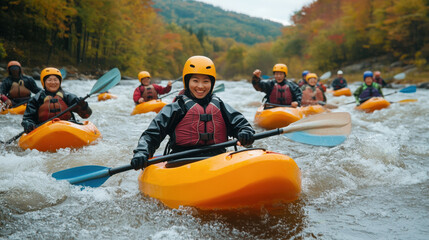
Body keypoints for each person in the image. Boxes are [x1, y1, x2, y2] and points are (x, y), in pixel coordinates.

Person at [130, 56, 255, 170]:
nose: (200, 86)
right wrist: (142, 152)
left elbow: (241, 123)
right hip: (181, 161)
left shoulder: (220, 106)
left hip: (217, 161)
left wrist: (245, 133)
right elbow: (152, 135)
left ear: (212, 84)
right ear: (187, 82)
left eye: (206, 81)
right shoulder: (175, 108)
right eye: (195, 80)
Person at [21, 67, 92, 133]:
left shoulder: (68, 96)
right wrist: (28, 124)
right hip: (43, 130)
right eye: (49, 80)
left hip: (67, 128)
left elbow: (86, 115)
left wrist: (84, 106)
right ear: (44, 82)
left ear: (60, 82)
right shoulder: (36, 99)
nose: (53, 83)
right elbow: (27, 118)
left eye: (55, 80)